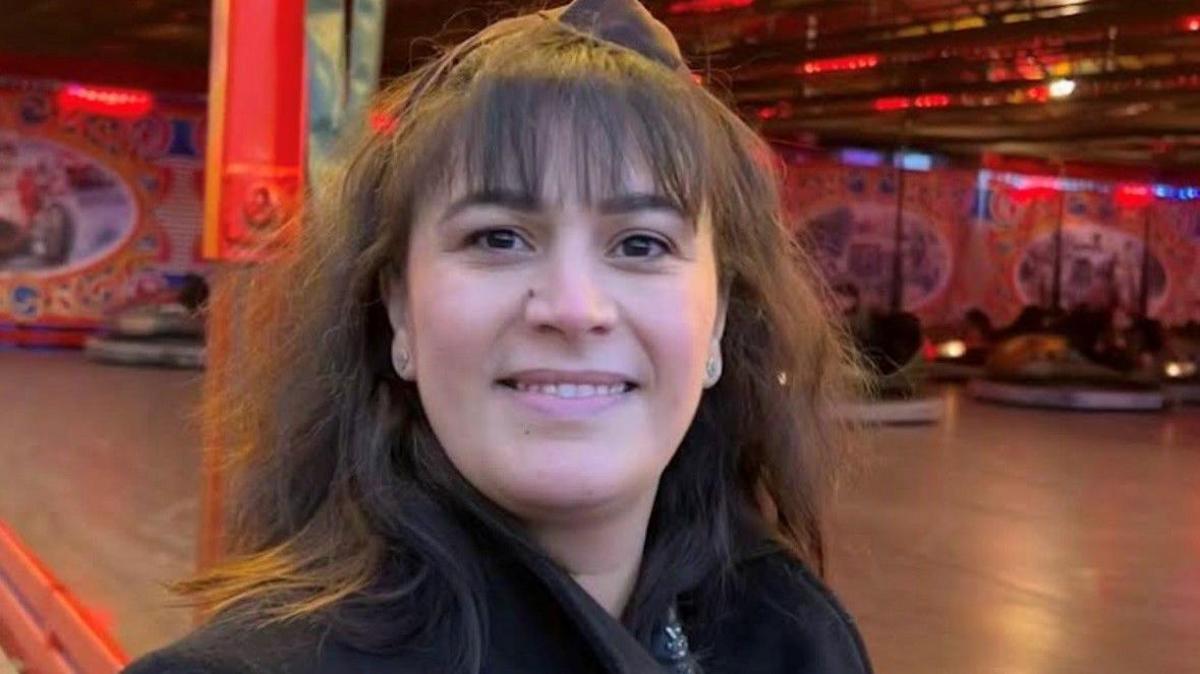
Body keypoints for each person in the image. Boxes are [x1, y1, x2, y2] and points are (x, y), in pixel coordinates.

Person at [124, 0, 870, 672]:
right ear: (399, 314)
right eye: (499, 238)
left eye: (641, 244)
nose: (574, 308)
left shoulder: (792, 642)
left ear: (719, 324)